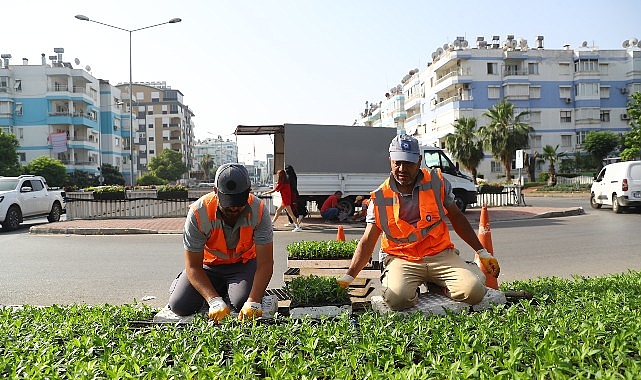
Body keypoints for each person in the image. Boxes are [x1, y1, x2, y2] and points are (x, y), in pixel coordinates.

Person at [337, 134, 500, 311]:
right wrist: (349, 276)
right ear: (390, 160)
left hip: (440, 254)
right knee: (398, 300)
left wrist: (482, 251)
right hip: (402, 258)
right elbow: (368, 241)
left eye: (408, 163)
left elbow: (457, 218)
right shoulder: (380, 198)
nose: (401, 168)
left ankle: (440, 284)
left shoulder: (437, 183)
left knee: (474, 292)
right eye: (397, 162)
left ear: (419, 160)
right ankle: (411, 285)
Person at [167, 163, 274, 322]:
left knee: (243, 302)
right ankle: (212, 290)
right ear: (216, 191)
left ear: (249, 191)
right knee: (180, 305)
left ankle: (232, 290)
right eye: (228, 203)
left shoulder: (259, 210)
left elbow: (265, 263)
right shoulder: (198, 213)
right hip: (208, 267)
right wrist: (213, 301)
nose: (234, 209)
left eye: (239, 203)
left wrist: (254, 301)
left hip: (243, 265)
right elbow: (193, 266)